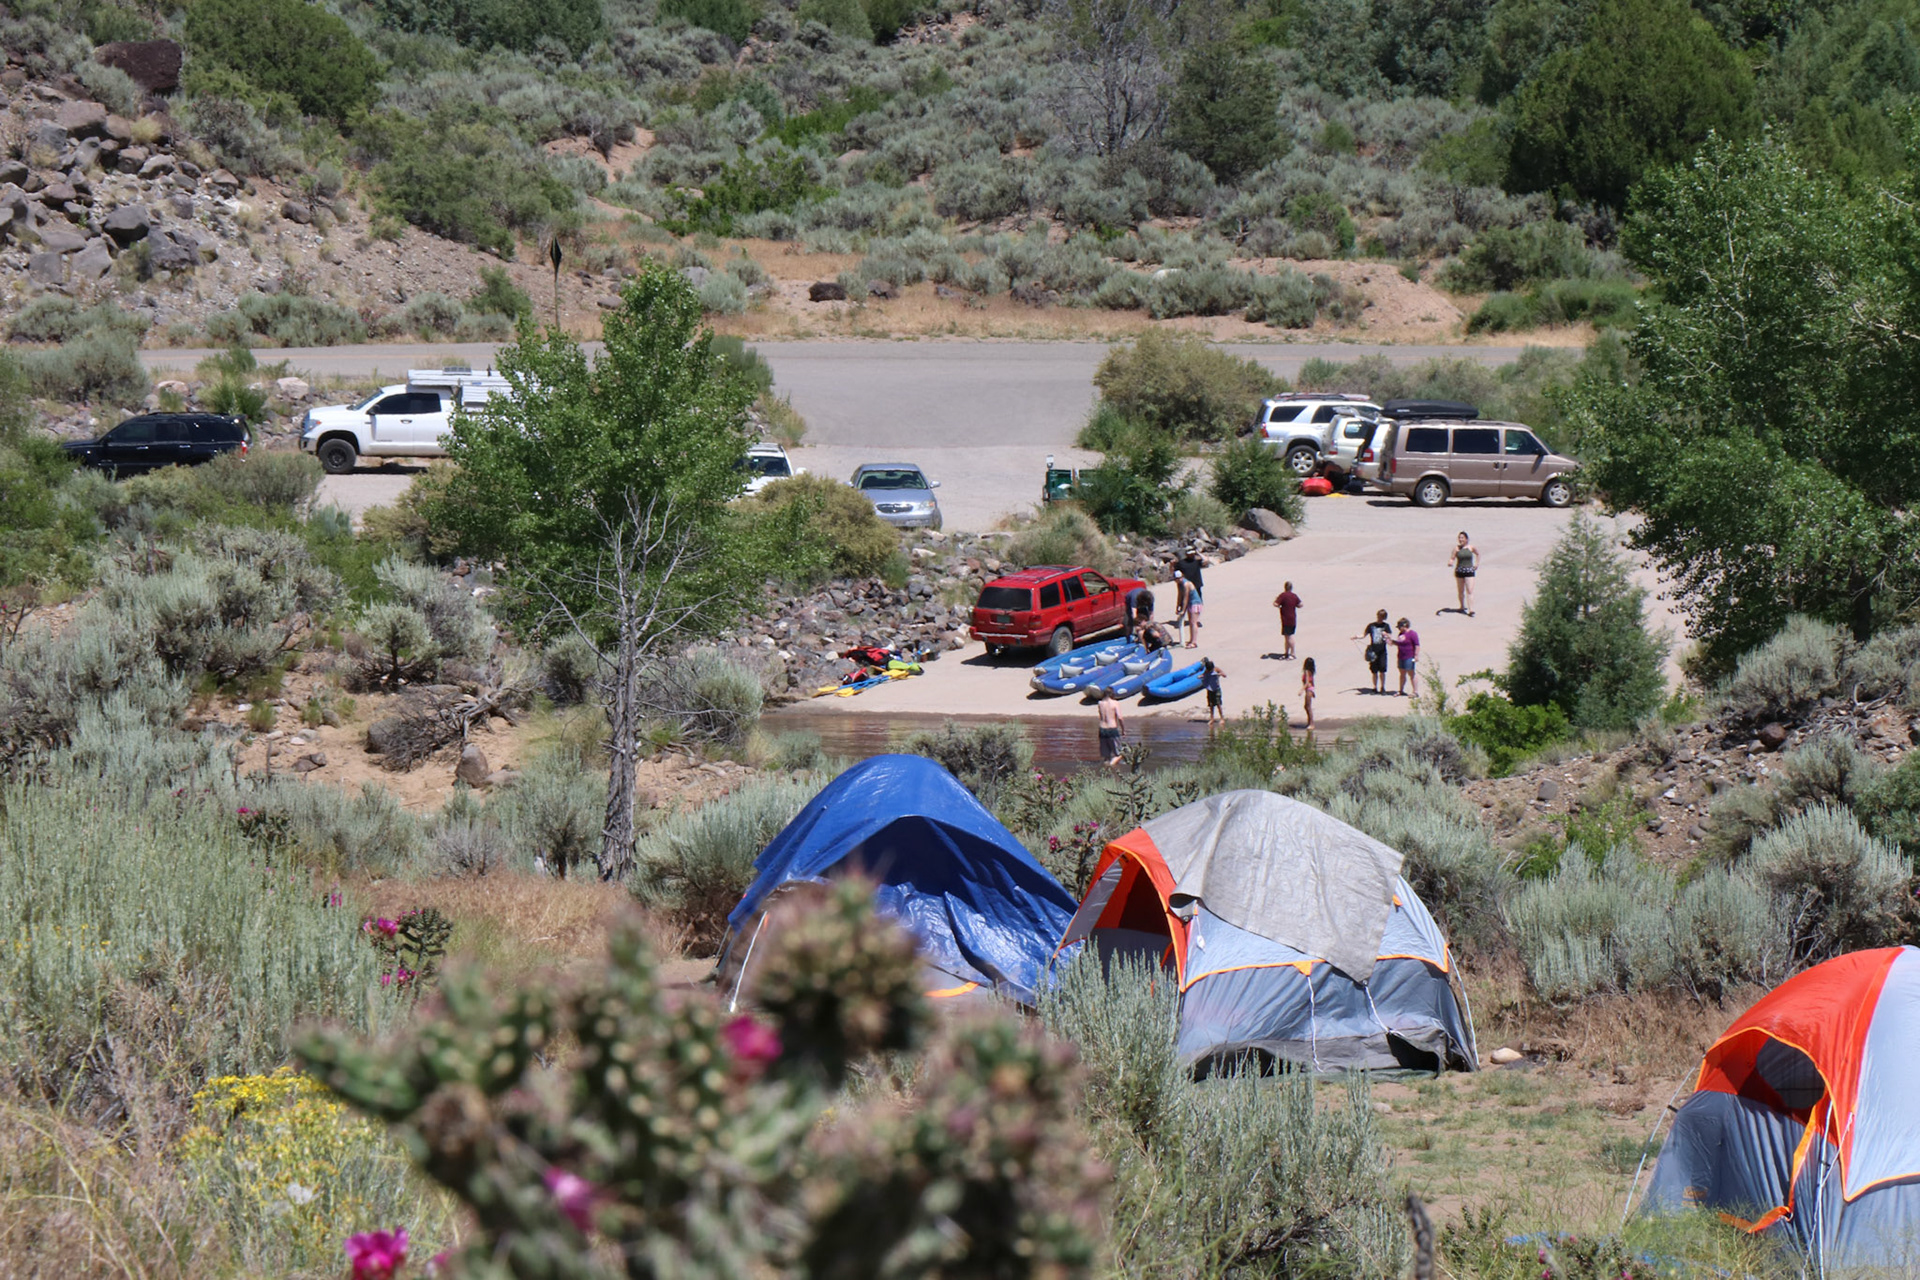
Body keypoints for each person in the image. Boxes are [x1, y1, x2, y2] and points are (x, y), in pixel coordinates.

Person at [1354, 609, 1391, 694]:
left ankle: (1382, 687)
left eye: (1382, 617)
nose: (1380, 618)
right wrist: (1356, 637)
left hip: (1382, 651)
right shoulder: (1371, 625)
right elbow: (1364, 635)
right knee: (1374, 671)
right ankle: (1375, 687)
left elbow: (1389, 636)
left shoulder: (1386, 626)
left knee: (1382, 670)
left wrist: (1386, 635)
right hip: (1373, 651)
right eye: (1379, 616)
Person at [1450, 531, 1479, 616]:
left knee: (1469, 590)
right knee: (1460, 590)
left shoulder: (1471, 548)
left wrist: (1477, 564)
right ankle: (1462, 606)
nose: (1460, 539)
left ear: (1466, 539)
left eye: (1462, 538)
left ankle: (1471, 609)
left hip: (1469, 571)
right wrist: (1450, 562)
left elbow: (1478, 554)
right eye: (1459, 538)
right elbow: (1452, 558)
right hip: (1460, 571)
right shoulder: (1456, 549)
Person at [1097, 686, 1125, 768]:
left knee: (1106, 757)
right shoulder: (1115, 703)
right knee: (1119, 754)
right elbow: (1120, 717)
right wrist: (1123, 730)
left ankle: (1106, 770)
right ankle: (1111, 767)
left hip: (1102, 729)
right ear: (1112, 693)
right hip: (1112, 729)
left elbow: (1101, 716)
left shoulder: (1100, 703)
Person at [1273, 582, 1301, 659]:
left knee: (1289, 636)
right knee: (1287, 637)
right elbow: (1300, 604)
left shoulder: (1283, 595)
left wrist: (1278, 603)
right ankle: (1286, 653)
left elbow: (1275, 604)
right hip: (1293, 619)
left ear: (1285, 587)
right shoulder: (1294, 596)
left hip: (1286, 619)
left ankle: (1292, 653)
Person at [1393, 617, 1420, 695]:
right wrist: (1391, 641)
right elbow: (1399, 643)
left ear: (1404, 626)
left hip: (1409, 656)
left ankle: (1415, 691)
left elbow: (1417, 645)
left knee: (1411, 673)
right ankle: (1401, 690)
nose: (1399, 629)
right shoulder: (1401, 634)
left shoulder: (1412, 634)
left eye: (1399, 627)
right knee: (1402, 674)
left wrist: (1416, 655)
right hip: (1401, 656)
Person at [1176, 572, 1203, 648]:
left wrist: (1183, 610)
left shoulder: (1186, 584)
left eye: (1178, 579)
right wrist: (1178, 606)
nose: (1176, 581)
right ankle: (1191, 640)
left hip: (1195, 603)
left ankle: (1194, 642)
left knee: (1193, 622)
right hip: (1190, 604)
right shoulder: (1180, 584)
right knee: (1191, 622)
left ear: (1181, 577)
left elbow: (1186, 597)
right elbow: (1180, 595)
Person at [1201, 658, 1225, 725]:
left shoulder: (1216, 669)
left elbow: (1224, 674)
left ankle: (1222, 718)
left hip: (1216, 689)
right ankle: (1212, 718)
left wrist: (1219, 674)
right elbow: (1204, 675)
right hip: (1210, 689)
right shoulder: (1207, 671)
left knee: (1218, 704)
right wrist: (1201, 676)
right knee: (1211, 705)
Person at [1300, 657, 1316, 729]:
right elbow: (1312, 682)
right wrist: (1313, 691)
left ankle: (1311, 724)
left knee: (1308, 707)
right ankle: (1309, 722)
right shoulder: (1311, 672)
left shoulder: (1306, 671)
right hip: (1311, 689)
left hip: (1308, 690)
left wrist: (1301, 690)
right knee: (1306, 706)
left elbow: (1306, 683)